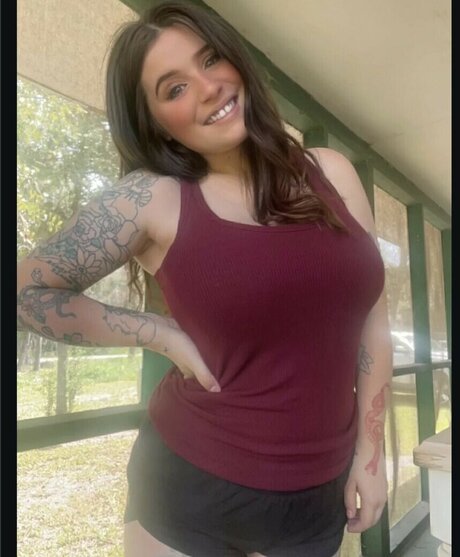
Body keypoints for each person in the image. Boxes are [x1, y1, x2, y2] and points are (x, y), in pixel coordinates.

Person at [17, 2, 393, 556]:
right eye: (174, 89)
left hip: (318, 497)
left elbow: (373, 323)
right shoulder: (153, 199)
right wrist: (159, 334)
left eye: (211, 59)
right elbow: (25, 292)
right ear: (154, 122)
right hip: (190, 489)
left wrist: (371, 456)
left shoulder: (330, 171)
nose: (209, 87)